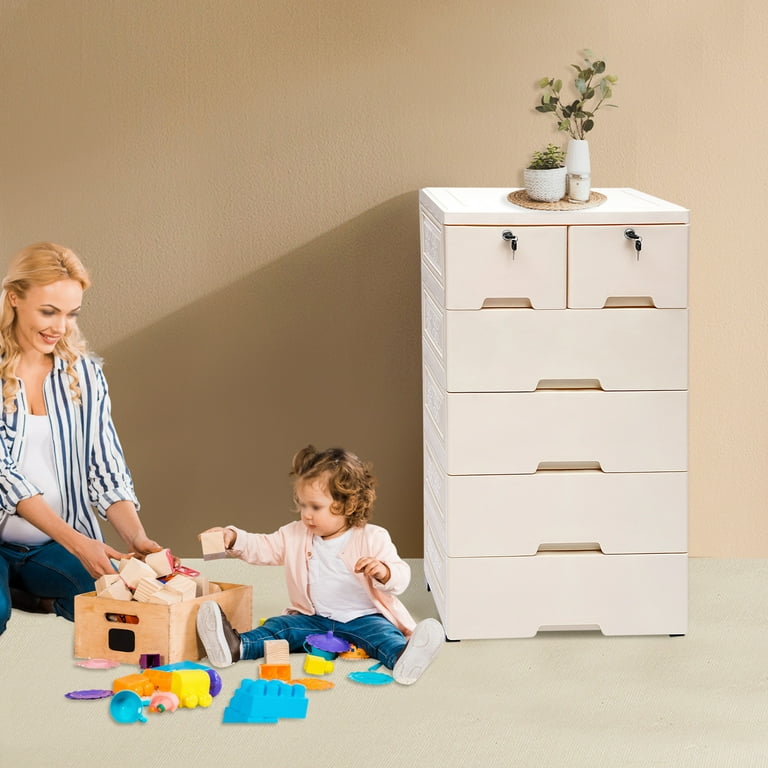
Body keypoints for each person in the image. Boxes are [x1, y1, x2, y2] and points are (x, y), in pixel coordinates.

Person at [0, 242, 163, 635]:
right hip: (55, 538)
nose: (60, 327)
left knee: (117, 599)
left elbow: (105, 467)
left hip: (51, 546)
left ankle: (30, 594)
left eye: (71, 314)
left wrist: (136, 536)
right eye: (48, 311)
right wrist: (77, 543)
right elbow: (5, 477)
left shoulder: (84, 375)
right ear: (14, 298)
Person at [196, 444, 444, 685]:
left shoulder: (373, 537)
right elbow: (263, 546)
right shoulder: (294, 534)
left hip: (364, 617)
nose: (306, 514)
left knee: (384, 636)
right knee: (280, 628)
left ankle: (403, 659)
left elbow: (401, 575)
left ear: (349, 505)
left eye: (315, 507)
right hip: (314, 618)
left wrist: (384, 572)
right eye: (302, 504)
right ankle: (236, 647)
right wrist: (233, 537)